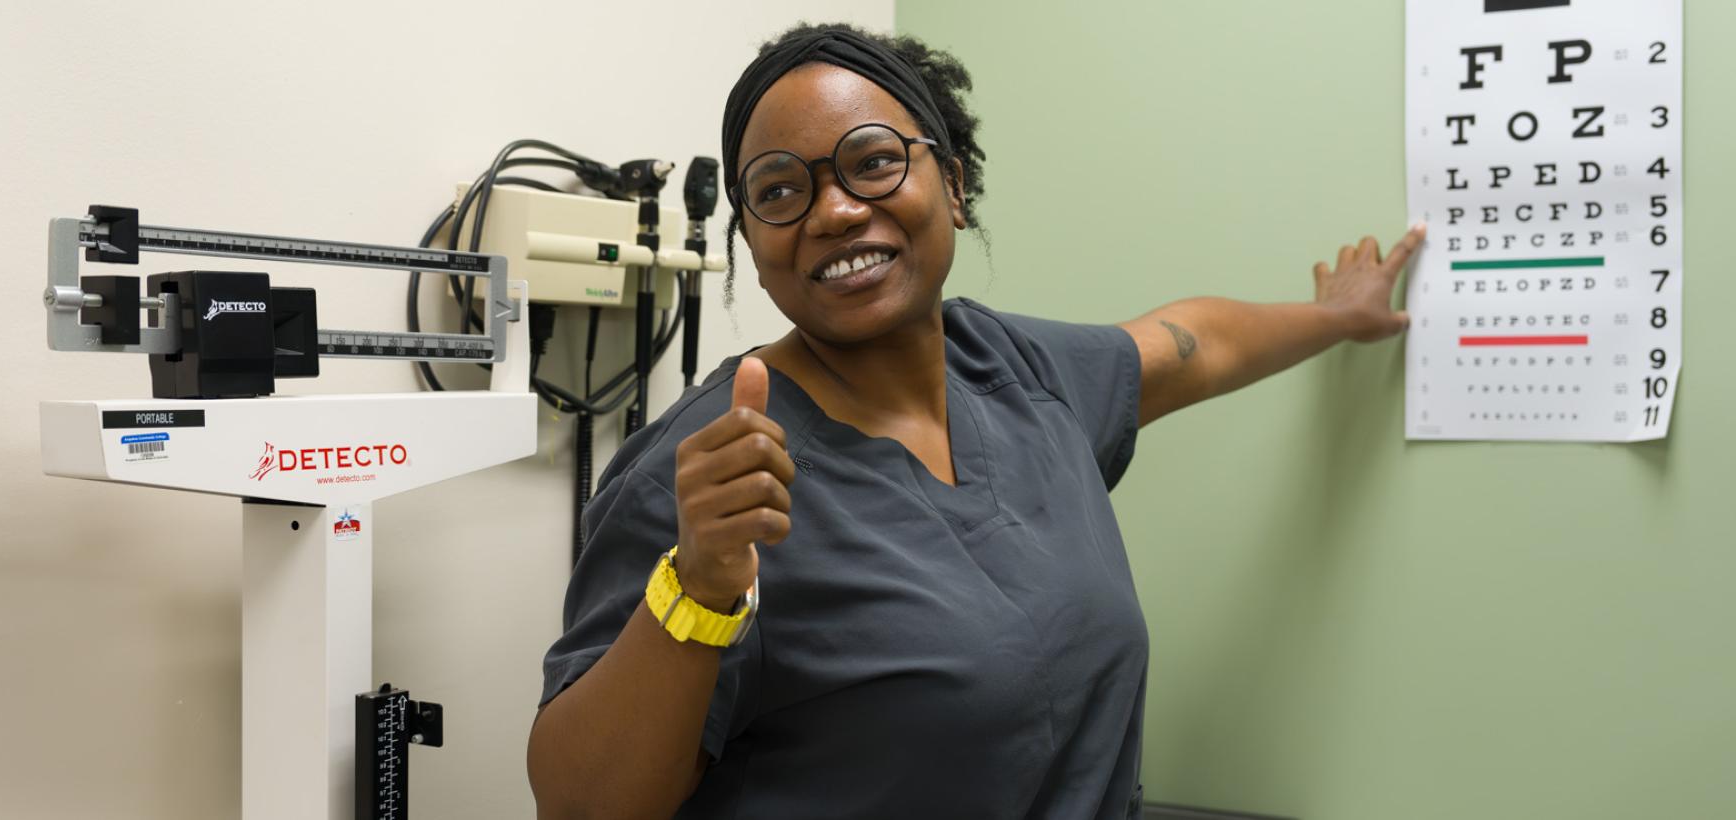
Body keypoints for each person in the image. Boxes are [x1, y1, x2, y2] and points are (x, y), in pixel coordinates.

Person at [527, 22, 1422, 820]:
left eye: (873, 161)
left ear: (952, 184)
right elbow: (578, 805)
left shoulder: (1019, 373)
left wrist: (1340, 318)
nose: (835, 210)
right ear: (754, 249)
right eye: (780, 191)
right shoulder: (705, 474)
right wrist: (699, 585)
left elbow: (1195, 344)